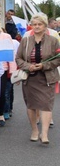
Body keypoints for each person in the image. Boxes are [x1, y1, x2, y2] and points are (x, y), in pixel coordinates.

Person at [15, 13, 60, 144]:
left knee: (46, 105)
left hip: (47, 77)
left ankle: (44, 134)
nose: (37, 27)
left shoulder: (53, 41)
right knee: (31, 106)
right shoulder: (26, 40)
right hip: (30, 78)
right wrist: (29, 66)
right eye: (34, 24)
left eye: (39, 24)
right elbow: (18, 58)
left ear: (45, 26)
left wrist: (44, 65)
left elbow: (58, 59)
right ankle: (34, 130)